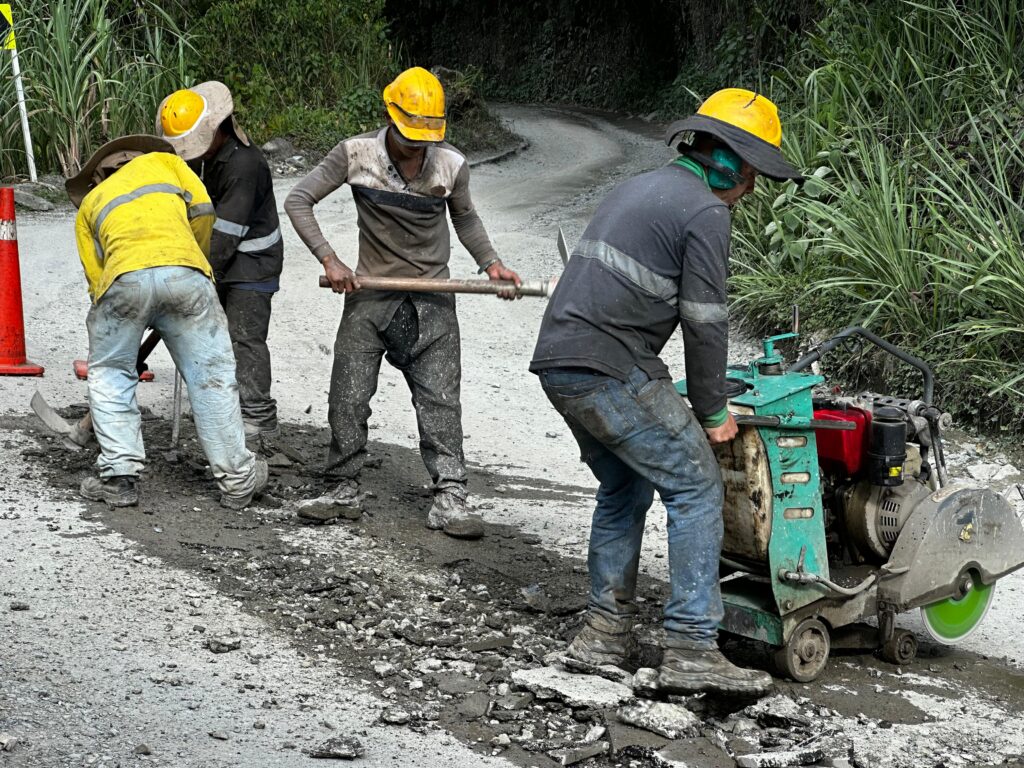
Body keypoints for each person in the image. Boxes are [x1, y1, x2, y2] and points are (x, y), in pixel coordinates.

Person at [530, 89, 803, 695]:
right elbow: (706, 320)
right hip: (608, 364)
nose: (752, 187)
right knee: (696, 481)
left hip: (560, 362)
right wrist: (711, 411)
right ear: (727, 160)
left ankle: (604, 633)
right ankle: (690, 647)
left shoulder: (635, 188)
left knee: (624, 484)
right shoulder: (706, 210)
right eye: (752, 172)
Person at [284, 66, 521, 539]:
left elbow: (467, 220)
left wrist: (491, 264)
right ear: (390, 116)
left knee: (440, 400)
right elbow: (298, 200)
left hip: (432, 301)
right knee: (348, 397)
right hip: (370, 297)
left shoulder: (450, 164)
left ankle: (450, 494)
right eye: (411, 136)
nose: (418, 145)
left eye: (426, 137)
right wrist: (331, 261)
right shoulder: (356, 154)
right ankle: (342, 487)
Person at [66, 135, 268, 510]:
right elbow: (205, 212)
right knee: (212, 376)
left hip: (121, 282)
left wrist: (125, 312)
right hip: (187, 275)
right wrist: (195, 262)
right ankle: (239, 482)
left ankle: (118, 479)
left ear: (99, 175)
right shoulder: (169, 165)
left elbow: (95, 277)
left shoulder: (90, 204)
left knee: (111, 372)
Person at [156, 81, 283, 447]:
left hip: (253, 262)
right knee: (213, 336)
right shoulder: (209, 159)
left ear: (216, 129)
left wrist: (195, 273)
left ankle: (260, 418)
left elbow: (226, 234)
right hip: (224, 254)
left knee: (244, 337)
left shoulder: (245, 165)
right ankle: (223, 407)